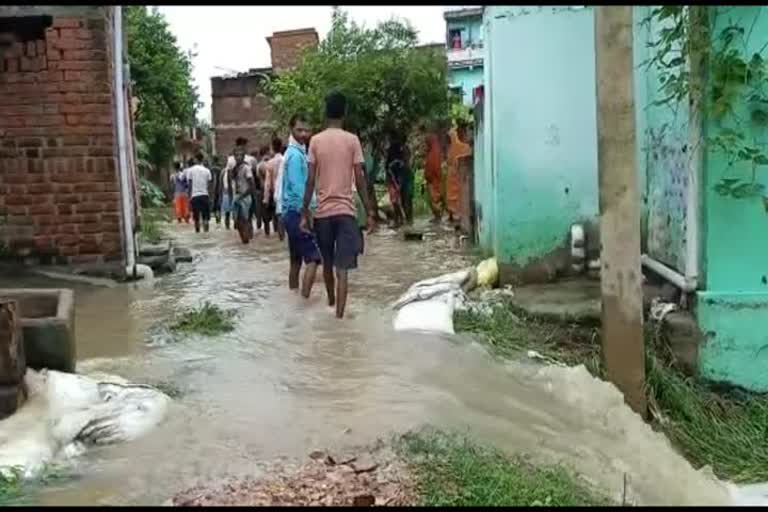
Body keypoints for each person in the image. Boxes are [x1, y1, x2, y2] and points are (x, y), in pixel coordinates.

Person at [301, 91, 376, 319]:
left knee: (327, 264)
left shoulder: (315, 141)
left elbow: (311, 180)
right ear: (345, 112)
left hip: (323, 213)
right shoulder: (352, 140)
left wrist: (305, 210)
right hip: (346, 214)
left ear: (326, 112)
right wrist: (370, 210)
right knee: (342, 270)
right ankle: (340, 318)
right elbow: (360, 179)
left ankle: (330, 302)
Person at [282, 113, 321, 294]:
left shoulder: (294, 153)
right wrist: (307, 214)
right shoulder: (296, 156)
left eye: (307, 130)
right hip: (298, 213)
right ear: (291, 130)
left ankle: (294, 299)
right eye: (299, 130)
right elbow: (299, 189)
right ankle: (304, 302)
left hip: (290, 213)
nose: (304, 134)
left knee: (296, 260)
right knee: (313, 259)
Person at [222, 138, 256, 230]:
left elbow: (252, 179)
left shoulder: (248, 162)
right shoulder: (249, 160)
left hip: (245, 193)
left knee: (246, 218)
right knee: (240, 219)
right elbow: (230, 178)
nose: (238, 157)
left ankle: (247, 234)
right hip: (238, 194)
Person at [445, 122, 472, 225]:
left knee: (459, 194)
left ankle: (458, 215)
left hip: (460, 175)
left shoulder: (464, 147)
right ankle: (453, 215)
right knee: (452, 195)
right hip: (453, 176)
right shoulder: (453, 147)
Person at [231, 145, 256, 244]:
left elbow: (252, 185)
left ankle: (246, 241)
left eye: (240, 155)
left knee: (244, 220)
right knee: (237, 222)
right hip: (237, 196)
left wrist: (243, 196)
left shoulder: (246, 168)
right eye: (236, 155)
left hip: (245, 197)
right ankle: (245, 241)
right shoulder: (234, 168)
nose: (238, 157)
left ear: (243, 156)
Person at [184, 152, 213, 233]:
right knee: (206, 217)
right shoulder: (207, 171)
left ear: (195, 159)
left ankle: (198, 233)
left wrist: (189, 197)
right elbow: (210, 186)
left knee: (196, 218)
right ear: (202, 159)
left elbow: (190, 185)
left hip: (195, 196)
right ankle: (206, 234)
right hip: (205, 195)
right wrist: (211, 197)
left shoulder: (191, 170)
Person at [262, 137, 283, 238]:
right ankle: (282, 239)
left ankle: (274, 237)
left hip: (274, 194)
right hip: (285, 194)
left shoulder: (270, 163)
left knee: (271, 218)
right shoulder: (285, 160)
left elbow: (267, 184)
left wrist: (266, 199)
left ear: (272, 148)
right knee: (281, 217)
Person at [424, 131, 443, 223]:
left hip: (433, 179)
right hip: (431, 179)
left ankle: (438, 216)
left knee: (434, 199)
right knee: (432, 199)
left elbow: (435, 167)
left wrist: (431, 177)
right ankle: (437, 216)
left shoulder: (435, 152)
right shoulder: (431, 151)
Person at [273, 142, 287, 241]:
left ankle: (281, 239)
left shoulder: (273, 161)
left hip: (279, 191)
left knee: (279, 216)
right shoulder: (284, 161)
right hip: (284, 192)